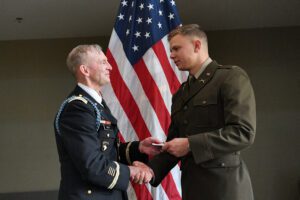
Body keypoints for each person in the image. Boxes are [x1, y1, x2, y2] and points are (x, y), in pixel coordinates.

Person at [134, 24, 256, 200]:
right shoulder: (180, 94)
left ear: (197, 46)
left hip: (225, 189)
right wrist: (151, 169)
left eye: (176, 48)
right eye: (171, 50)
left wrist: (190, 144)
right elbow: (174, 143)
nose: (171, 55)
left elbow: (243, 132)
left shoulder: (230, 77)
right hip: (192, 188)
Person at [54, 44, 159, 200]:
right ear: (85, 70)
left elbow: (106, 151)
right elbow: (92, 165)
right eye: (103, 62)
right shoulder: (77, 108)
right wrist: (131, 171)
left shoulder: (95, 104)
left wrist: (139, 148)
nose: (110, 67)